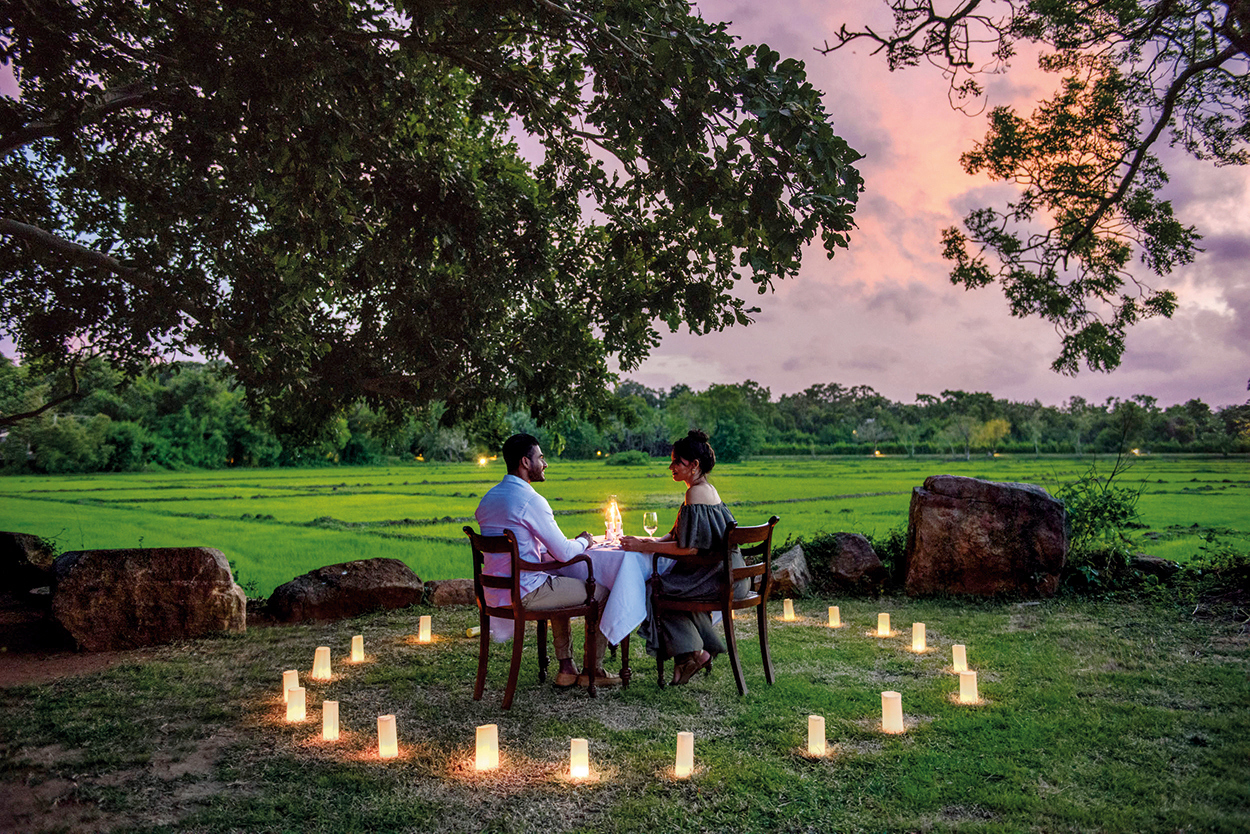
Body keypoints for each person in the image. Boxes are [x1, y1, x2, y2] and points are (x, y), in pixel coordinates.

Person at [475, 433, 620, 688]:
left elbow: (524, 546)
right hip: (525, 591)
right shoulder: (531, 500)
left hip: (496, 592)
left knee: (559, 582)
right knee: (604, 592)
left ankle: (566, 668)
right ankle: (593, 670)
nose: (545, 463)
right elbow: (564, 552)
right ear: (525, 462)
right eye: (541, 458)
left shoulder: (489, 499)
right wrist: (585, 540)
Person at [619, 429, 748, 685]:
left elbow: (689, 549)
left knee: (655, 589)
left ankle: (694, 654)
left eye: (677, 461)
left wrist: (645, 548)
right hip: (731, 574)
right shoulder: (706, 489)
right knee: (668, 585)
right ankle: (692, 655)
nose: (671, 467)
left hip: (720, 578)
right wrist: (649, 541)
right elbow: (679, 534)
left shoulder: (695, 494)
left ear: (695, 465)